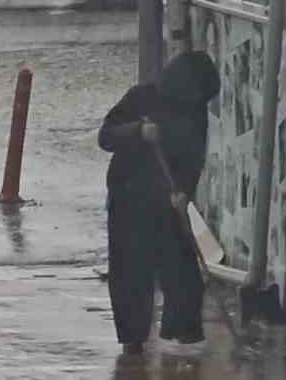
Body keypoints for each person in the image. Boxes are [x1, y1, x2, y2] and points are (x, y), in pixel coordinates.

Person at [97, 51, 221, 354]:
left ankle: (184, 335)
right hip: (129, 198)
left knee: (182, 269)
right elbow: (106, 136)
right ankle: (132, 338)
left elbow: (195, 155)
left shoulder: (195, 111)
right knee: (131, 271)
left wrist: (185, 191)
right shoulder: (142, 98)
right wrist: (138, 131)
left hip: (168, 200)